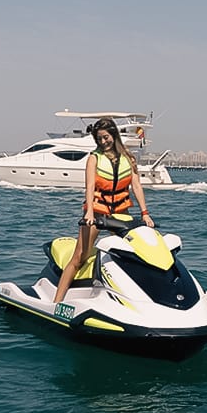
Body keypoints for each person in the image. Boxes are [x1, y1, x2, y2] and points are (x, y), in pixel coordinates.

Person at [53, 116, 155, 303]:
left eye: (106, 137)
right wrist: (90, 212)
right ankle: (56, 302)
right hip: (97, 211)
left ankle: (133, 298)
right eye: (99, 138)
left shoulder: (128, 158)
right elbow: (90, 186)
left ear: (114, 135)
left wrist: (145, 214)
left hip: (120, 212)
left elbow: (137, 187)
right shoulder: (94, 158)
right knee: (79, 257)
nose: (103, 142)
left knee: (130, 254)